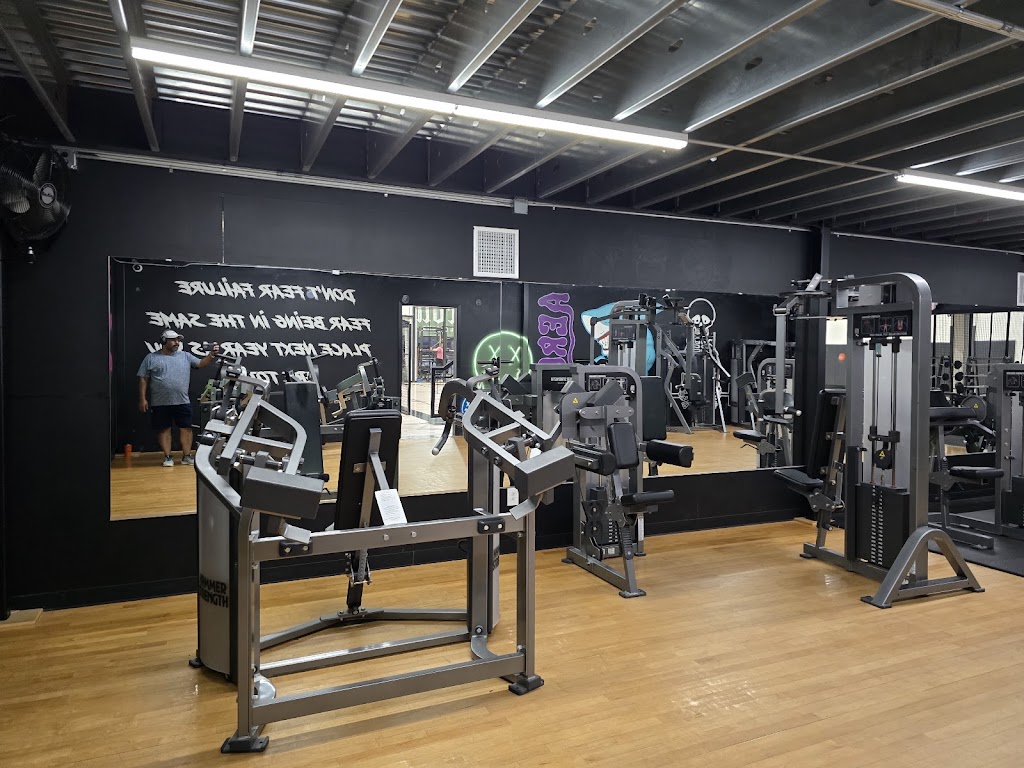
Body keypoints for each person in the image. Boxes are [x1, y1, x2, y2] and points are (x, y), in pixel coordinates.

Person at [137, 329, 219, 467]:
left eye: (178, 340)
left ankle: (186, 456)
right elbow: (143, 379)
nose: (177, 342)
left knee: (186, 428)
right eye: (173, 340)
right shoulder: (151, 358)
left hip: (182, 400)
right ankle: (168, 457)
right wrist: (142, 399)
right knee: (164, 429)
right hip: (160, 402)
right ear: (164, 341)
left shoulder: (185, 356)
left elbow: (201, 363)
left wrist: (211, 355)